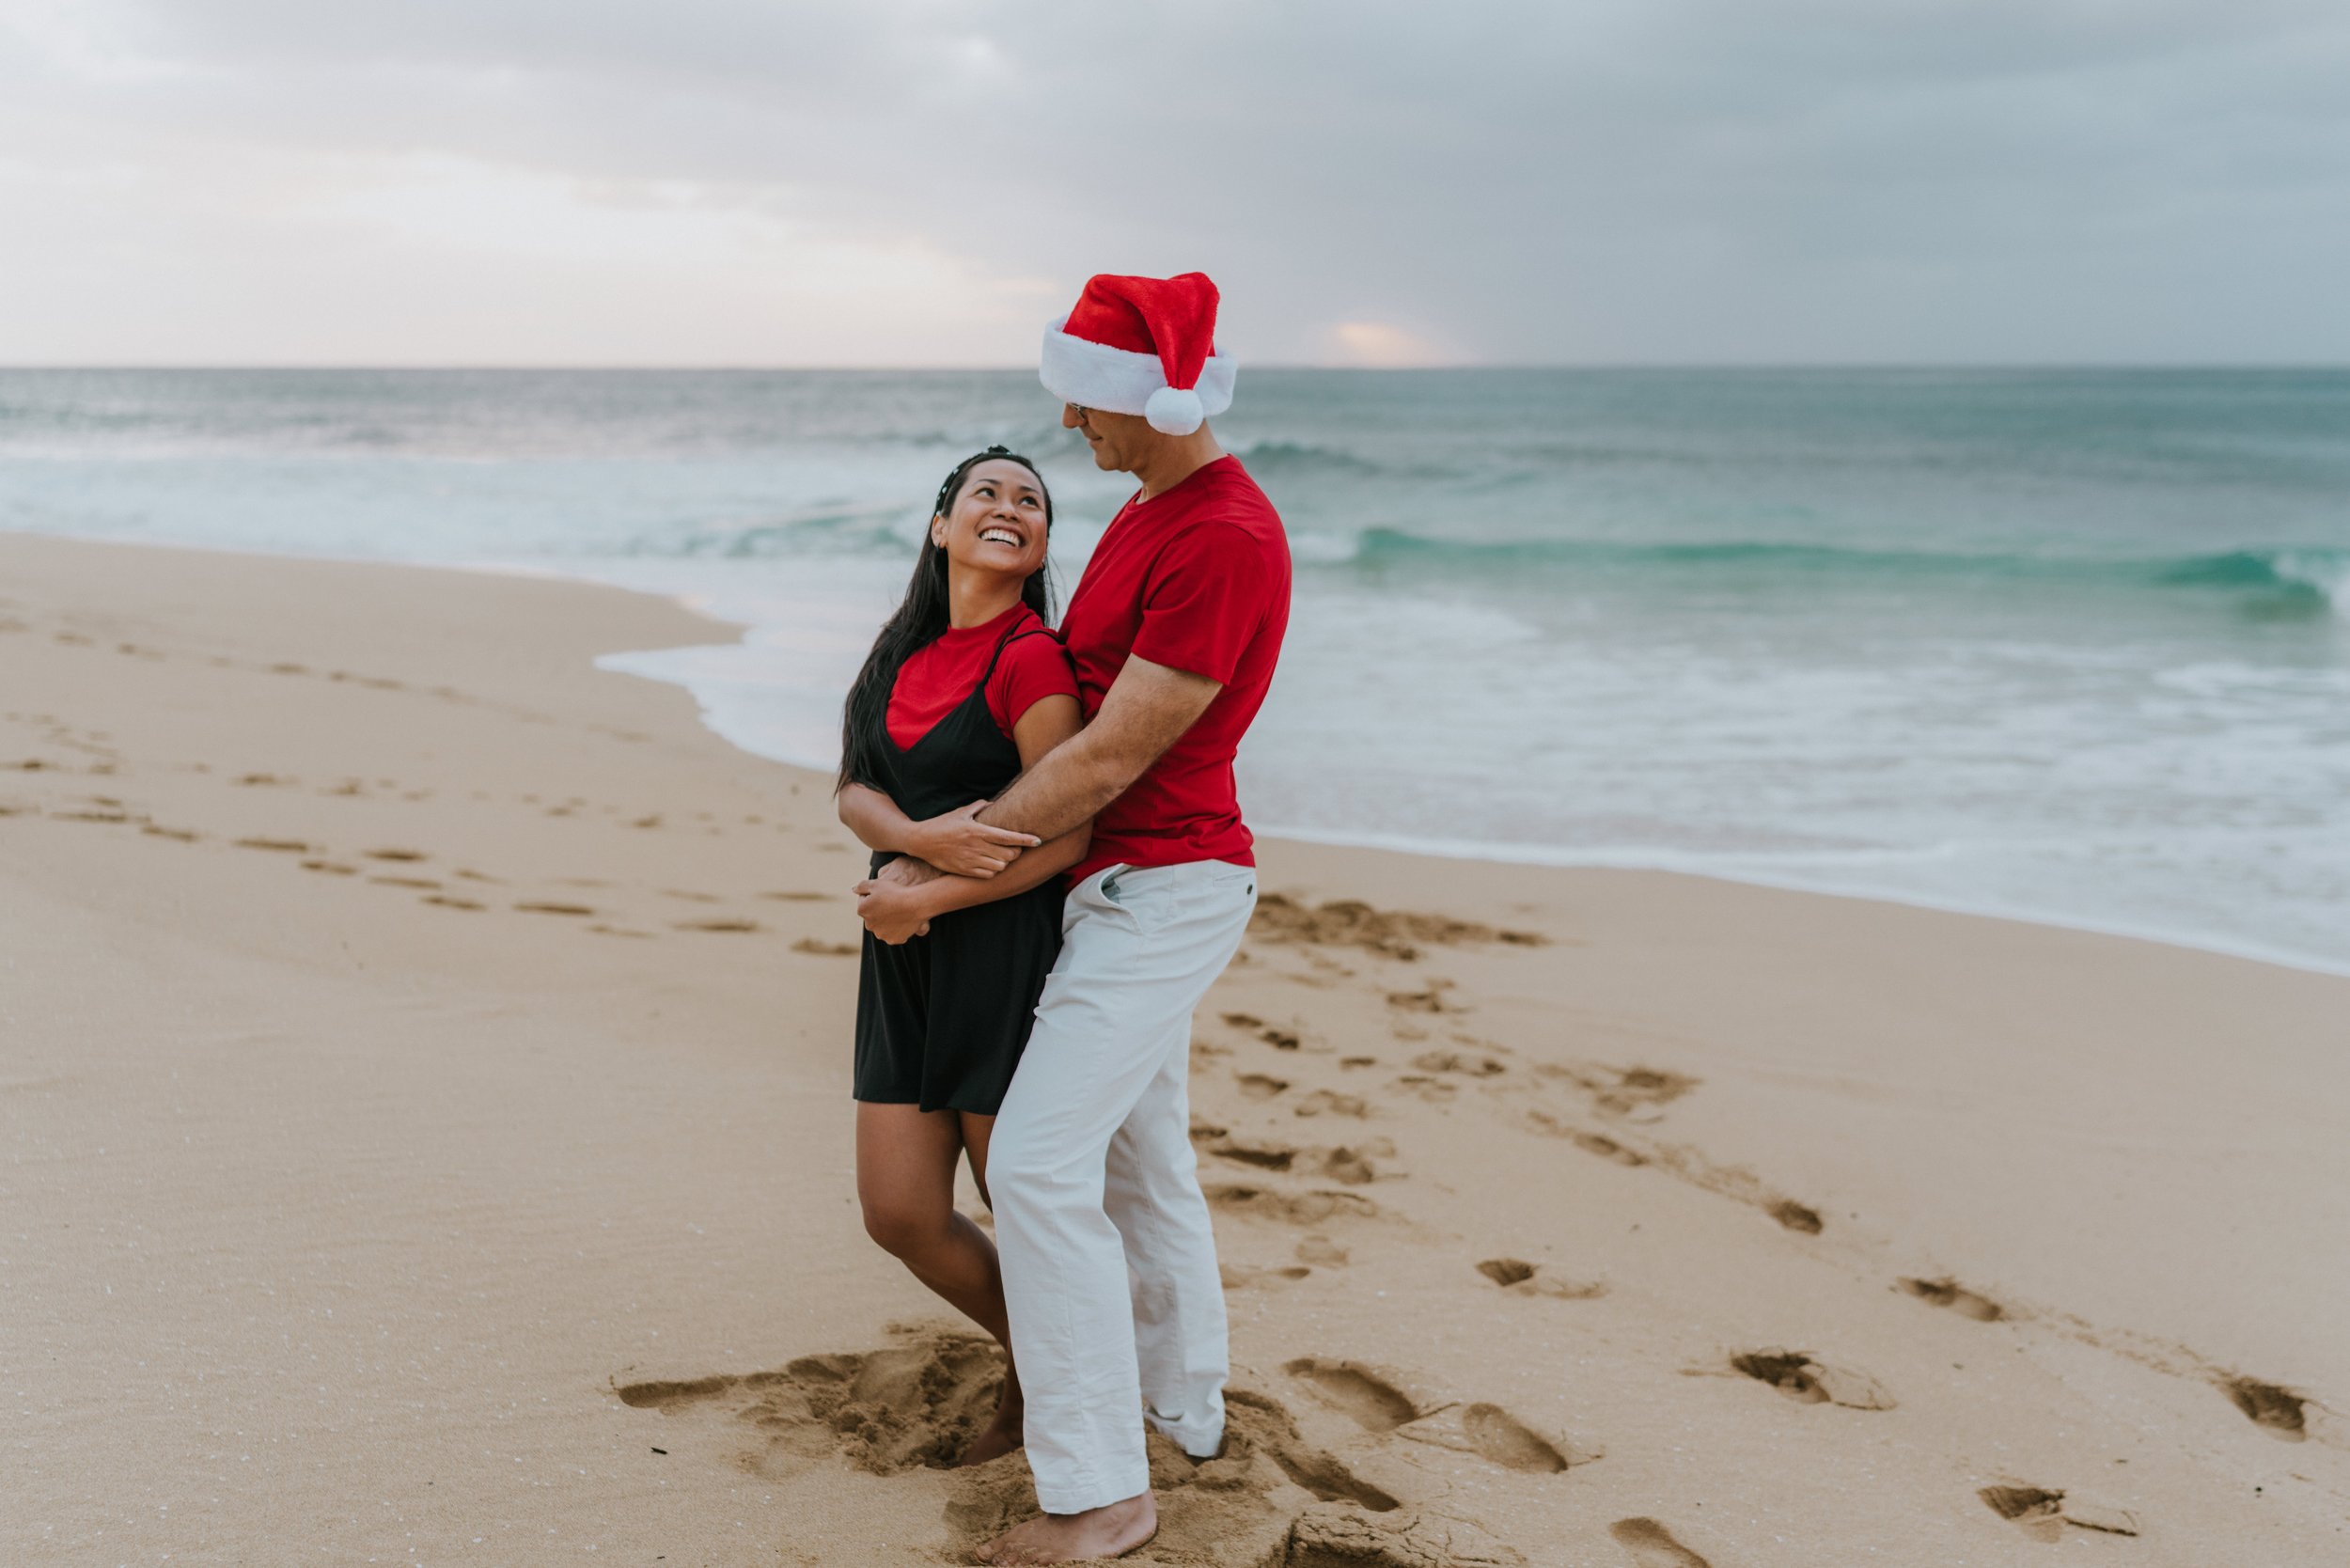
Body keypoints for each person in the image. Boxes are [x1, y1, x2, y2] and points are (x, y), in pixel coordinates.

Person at [872, 272, 1290, 1565]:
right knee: (1140, 1162)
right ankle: (1185, 1411)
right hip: (1102, 885)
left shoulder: (1223, 537)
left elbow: (1110, 754)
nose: (1069, 424)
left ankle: (1104, 1494)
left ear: (1145, 401)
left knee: (1040, 1167)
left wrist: (945, 868)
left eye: (1084, 400)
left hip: (1165, 889)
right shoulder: (1152, 509)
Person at [834, 446, 1091, 1468]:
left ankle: (1039, 1400)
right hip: (900, 949)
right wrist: (915, 840)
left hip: (998, 950)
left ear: (1040, 545)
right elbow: (854, 789)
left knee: (1013, 1206)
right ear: (941, 527)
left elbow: (1067, 833)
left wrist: (926, 890)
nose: (1010, 507)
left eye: (1032, 501)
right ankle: (1056, 1352)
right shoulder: (900, 651)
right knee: (899, 1212)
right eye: (986, 491)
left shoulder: (1032, 659)